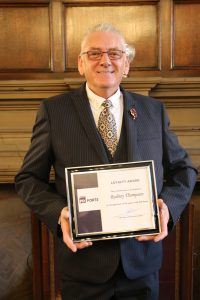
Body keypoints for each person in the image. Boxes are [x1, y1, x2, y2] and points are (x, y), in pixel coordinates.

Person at [15, 23, 197, 300]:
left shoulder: (153, 111)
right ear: (80, 64)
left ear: (126, 65)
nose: (105, 60)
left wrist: (168, 208)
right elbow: (28, 179)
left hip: (141, 265)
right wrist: (58, 213)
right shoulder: (54, 112)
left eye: (114, 53)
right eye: (94, 53)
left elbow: (184, 170)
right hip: (83, 265)